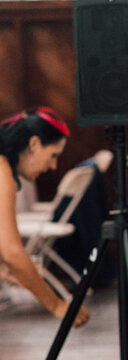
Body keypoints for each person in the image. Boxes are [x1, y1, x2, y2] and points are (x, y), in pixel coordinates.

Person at [0, 106, 89, 327]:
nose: (53, 165)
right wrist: (57, 305)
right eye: (53, 155)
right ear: (34, 144)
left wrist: (9, 271)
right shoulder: (2, 171)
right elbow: (12, 252)